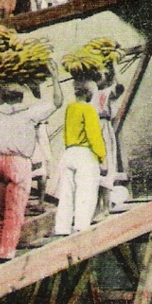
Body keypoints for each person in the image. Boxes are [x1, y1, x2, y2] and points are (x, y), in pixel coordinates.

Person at [0, 65, 63, 260]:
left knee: (1, 212)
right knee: (15, 211)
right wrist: (55, 78)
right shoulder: (30, 114)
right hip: (18, 163)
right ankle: (8, 252)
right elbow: (57, 102)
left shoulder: (0, 114)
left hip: (0, 162)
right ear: (21, 97)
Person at [54, 77, 107, 236]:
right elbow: (94, 136)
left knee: (66, 193)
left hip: (69, 152)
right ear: (88, 93)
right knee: (86, 192)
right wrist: (102, 157)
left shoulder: (70, 108)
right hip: (85, 154)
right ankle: (81, 227)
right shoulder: (89, 109)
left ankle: (62, 228)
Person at [92, 60, 125, 221]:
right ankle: (97, 207)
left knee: (106, 165)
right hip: (91, 127)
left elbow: (120, 87)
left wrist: (114, 66)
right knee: (94, 167)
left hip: (103, 126)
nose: (98, 77)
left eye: (102, 74)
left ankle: (105, 207)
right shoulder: (89, 92)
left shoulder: (107, 91)